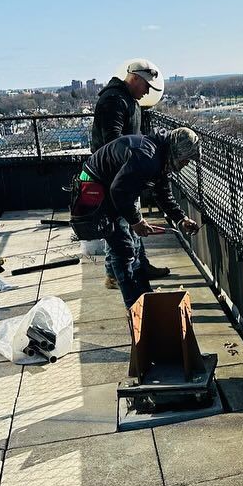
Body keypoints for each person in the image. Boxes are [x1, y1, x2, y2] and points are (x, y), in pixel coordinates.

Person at [79, 128, 201, 308]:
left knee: (131, 245)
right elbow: (118, 190)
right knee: (124, 247)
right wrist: (136, 221)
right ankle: (135, 305)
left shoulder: (160, 155)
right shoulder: (147, 158)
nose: (186, 164)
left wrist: (181, 219)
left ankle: (143, 298)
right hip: (96, 187)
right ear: (177, 151)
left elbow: (162, 192)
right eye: (186, 159)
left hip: (110, 186)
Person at [90, 59, 168, 289]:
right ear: (135, 78)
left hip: (123, 171)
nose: (147, 92)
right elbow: (113, 142)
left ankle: (138, 265)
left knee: (131, 221)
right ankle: (117, 274)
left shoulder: (127, 100)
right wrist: (132, 165)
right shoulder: (114, 100)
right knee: (120, 227)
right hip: (114, 174)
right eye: (146, 86)